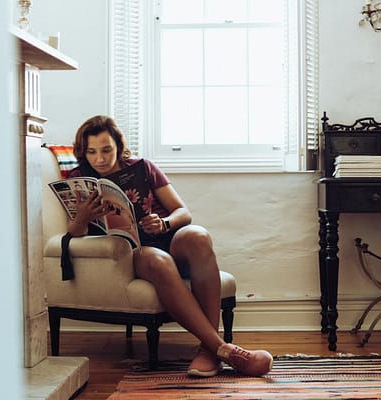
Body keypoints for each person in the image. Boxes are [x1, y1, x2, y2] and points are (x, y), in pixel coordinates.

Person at [66, 115, 273, 377]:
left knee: (197, 235)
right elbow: (73, 233)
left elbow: (182, 212)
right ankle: (220, 349)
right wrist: (83, 217)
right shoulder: (78, 180)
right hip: (131, 251)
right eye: (92, 152)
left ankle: (209, 350)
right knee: (156, 260)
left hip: (165, 238)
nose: (100, 159)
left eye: (106, 149)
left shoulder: (144, 168)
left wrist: (163, 223)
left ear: (118, 146)